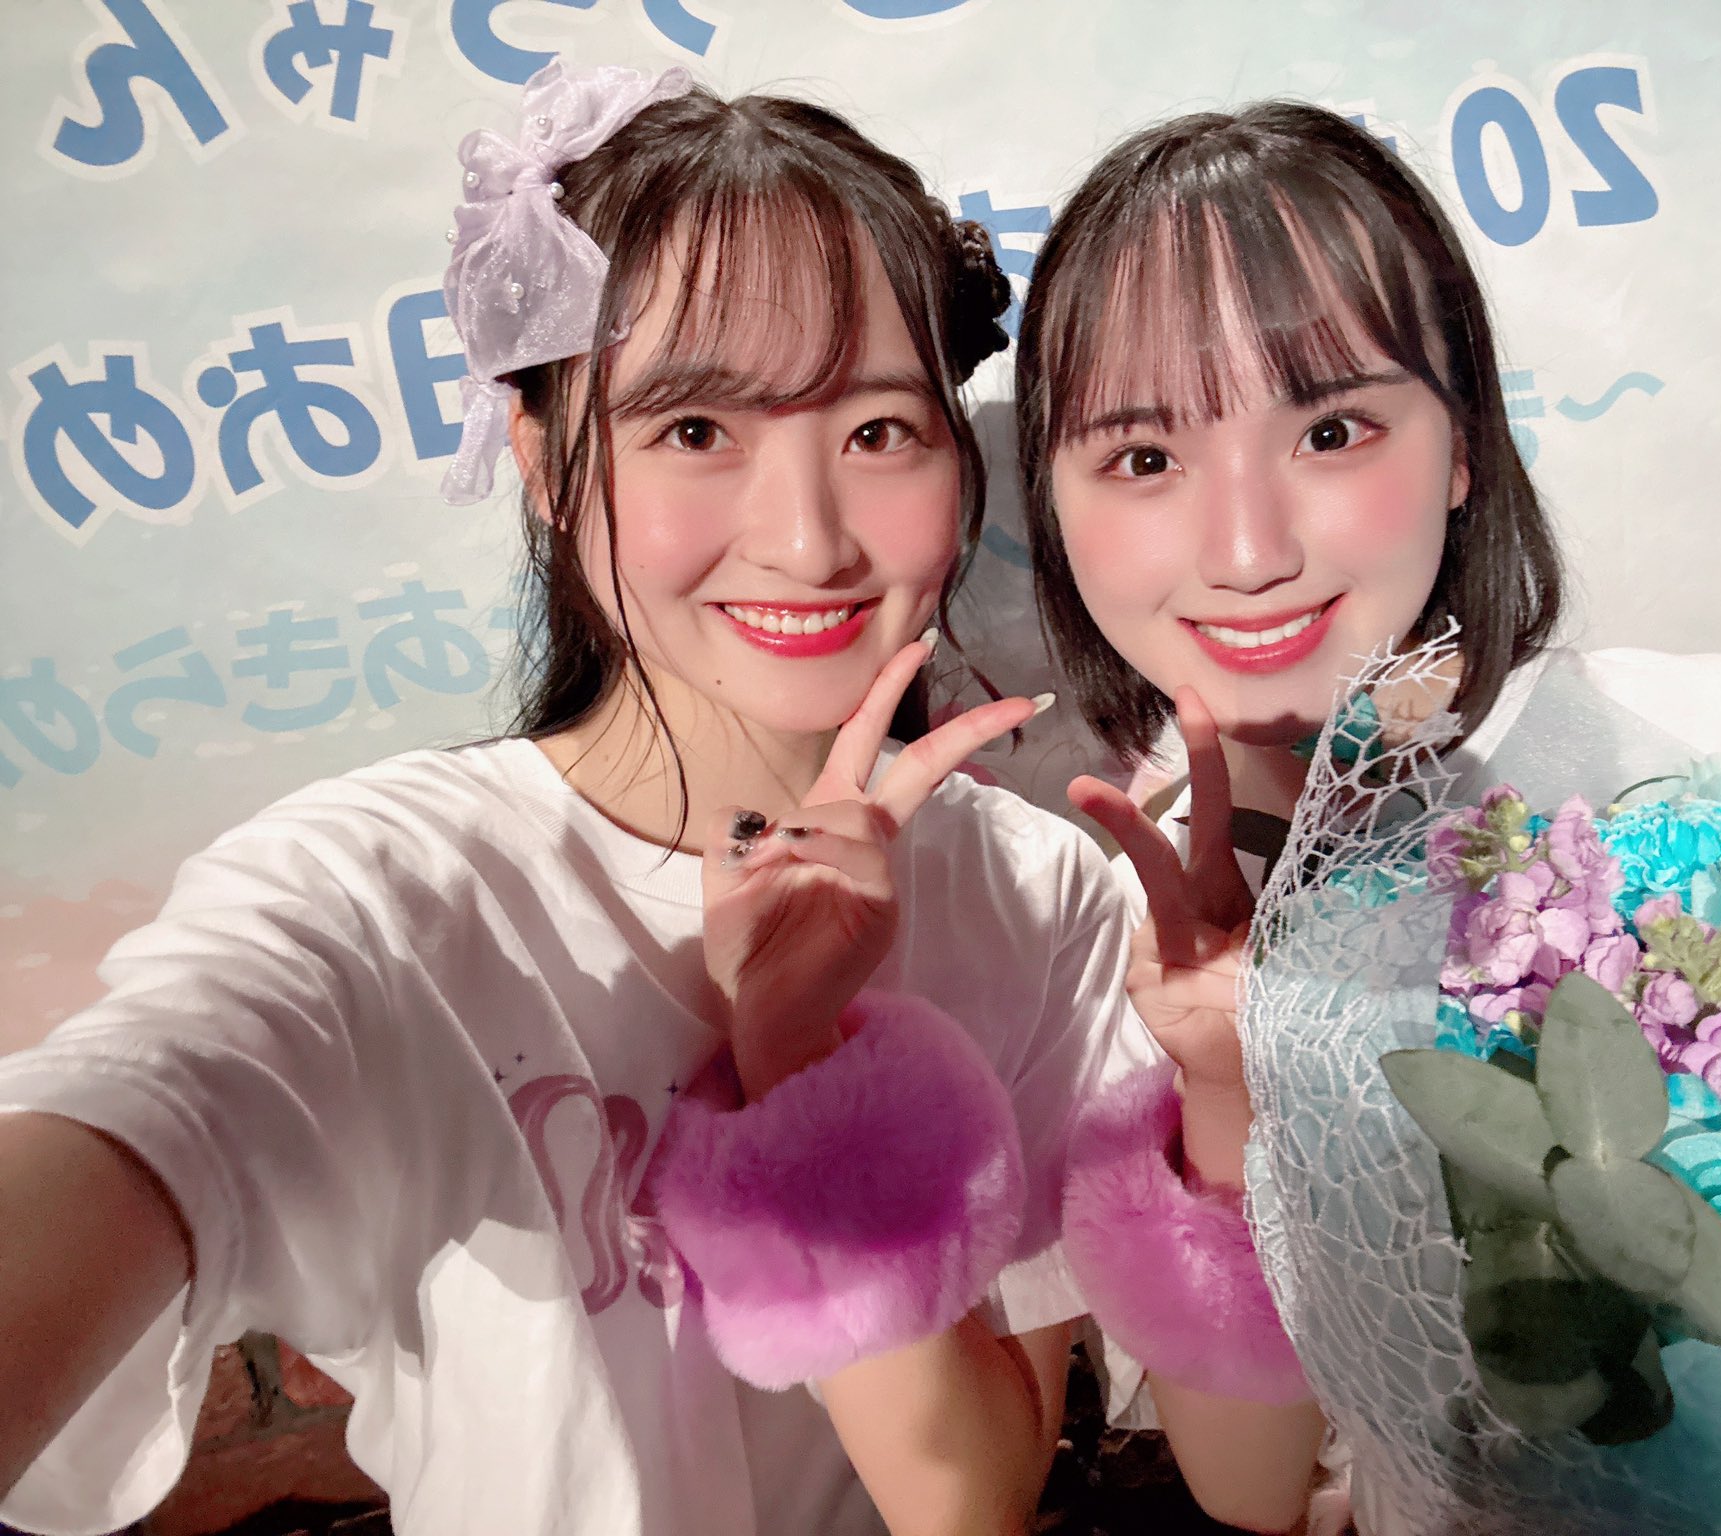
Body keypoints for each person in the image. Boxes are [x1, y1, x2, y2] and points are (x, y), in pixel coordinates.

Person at [0, 62, 1154, 1536]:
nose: (810, 542)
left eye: (879, 432)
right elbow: (149, 1104)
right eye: (694, 431)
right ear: (546, 463)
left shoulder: (1040, 895)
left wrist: (802, 1065)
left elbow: (970, 1500)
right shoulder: (383, 898)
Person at [1014, 100, 1721, 1533]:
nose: (1246, 550)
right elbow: (1252, 1494)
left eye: (1332, 431)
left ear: (1462, 447)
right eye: (1144, 460)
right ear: (1056, 506)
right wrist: (1224, 1094)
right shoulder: (1114, 932)